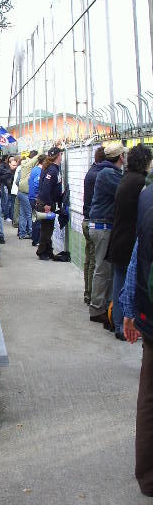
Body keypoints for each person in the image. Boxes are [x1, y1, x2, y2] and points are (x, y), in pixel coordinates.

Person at [119, 178, 153, 497]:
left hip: (150, 314)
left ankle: (147, 474)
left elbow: (136, 259)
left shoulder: (147, 196)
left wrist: (130, 310)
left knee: (149, 398)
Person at [107, 143, 151, 339]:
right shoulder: (140, 183)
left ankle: (116, 323)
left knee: (118, 282)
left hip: (118, 238)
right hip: (128, 240)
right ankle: (121, 325)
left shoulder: (126, 179)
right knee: (127, 285)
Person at [88, 141, 125, 324]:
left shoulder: (105, 171)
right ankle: (96, 309)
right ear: (121, 157)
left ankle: (102, 306)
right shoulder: (109, 173)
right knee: (103, 270)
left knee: (103, 269)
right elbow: (124, 191)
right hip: (103, 227)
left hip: (101, 226)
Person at [82, 146, 107, 305]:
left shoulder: (91, 172)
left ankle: (88, 292)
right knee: (94, 262)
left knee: (89, 260)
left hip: (87, 220)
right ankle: (91, 294)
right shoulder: (100, 175)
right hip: (94, 222)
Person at [36, 146, 63, 260]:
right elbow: (46, 187)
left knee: (47, 228)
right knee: (47, 229)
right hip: (47, 202)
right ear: (58, 156)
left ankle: (47, 250)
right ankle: (42, 251)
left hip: (47, 201)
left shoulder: (51, 168)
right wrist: (47, 204)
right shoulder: (52, 170)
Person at [18, 150, 39, 239]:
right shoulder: (31, 168)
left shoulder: (22, 166)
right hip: (26, 193)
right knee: (30, 214)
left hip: (20, 192)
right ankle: (31, 232)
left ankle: (22, 233)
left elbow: (16, 181)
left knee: (23, 214)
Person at [28, 153, 46, 247]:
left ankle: (35, 239)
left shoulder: (34, 169)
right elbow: (36, 184)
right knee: (38, 219)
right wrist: (38, 196)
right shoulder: (39, 171)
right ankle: (37, 240)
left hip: (31, 197)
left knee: (35, 218)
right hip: (35, 198)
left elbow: (29, 181)